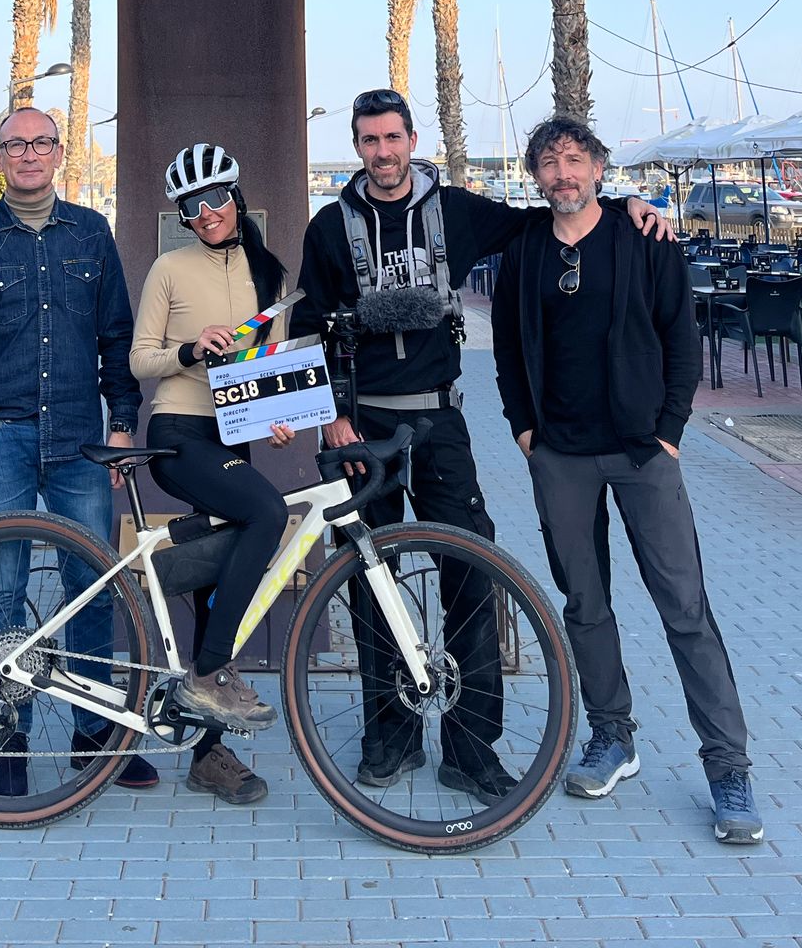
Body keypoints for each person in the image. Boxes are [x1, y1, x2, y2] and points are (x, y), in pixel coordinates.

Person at [294, 87, 671, 802]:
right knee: (372, 583)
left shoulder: (459, 211)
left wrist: (622, 204)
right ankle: (390, 738)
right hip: (360, 428)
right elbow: (310, 326)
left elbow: (549, 218)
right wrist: (332, 416)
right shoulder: (327, 227)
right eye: (370, 141)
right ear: (358, 146)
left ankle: (471, 749)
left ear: (412, 139)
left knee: (471, 577)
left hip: (439, 422)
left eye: (393, 138)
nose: (383, 153)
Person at [491, 114, 762, 845]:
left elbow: (683, 336)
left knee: (685, 608)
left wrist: (670, 432)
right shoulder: (522, 250)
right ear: (536, 176)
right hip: (561, 456)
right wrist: (524, 428)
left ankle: (728, 768)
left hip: (644, 455)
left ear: (601, 168)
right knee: (585, 604)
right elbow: (510, 347)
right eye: (549, 163)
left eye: (575, 159)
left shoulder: (645, 238)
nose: (562, 174)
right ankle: (613, 736)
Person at [0, 106, 157, 796]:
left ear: (60, 154)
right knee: (3, 587)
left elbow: (117, 334)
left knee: (92, 583)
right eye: (15, 145)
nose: (28, 154)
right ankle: (9, 736)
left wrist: (123, 422)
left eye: (41, 143)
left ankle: (94, 733)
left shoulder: (91, 232)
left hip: (82, 437)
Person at [130, 142, 296, 807]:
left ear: (235, 195)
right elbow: (142, 360)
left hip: (234, 436)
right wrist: (190, 349)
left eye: (217, 199)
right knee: (268, 513)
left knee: (210, 582)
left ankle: (207, 756)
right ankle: (207, 672)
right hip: (178, 432)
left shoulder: (268, 273)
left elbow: (265, 364)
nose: (208, 214)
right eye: (192, 206)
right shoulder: (169, 268)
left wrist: (279, 415)